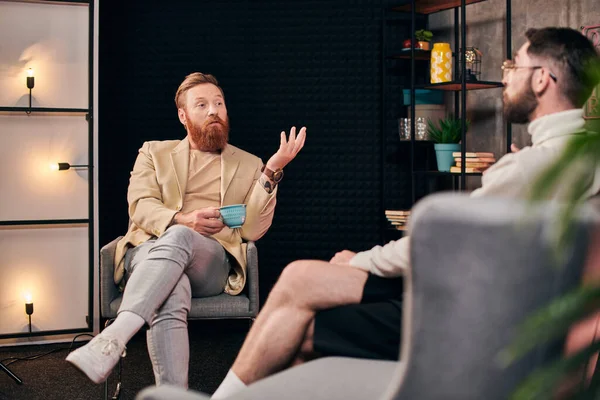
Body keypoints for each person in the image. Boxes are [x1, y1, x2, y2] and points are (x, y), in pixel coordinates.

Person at [211, 27, 600, 399]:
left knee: (300, 306)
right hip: (525, 320)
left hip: (472, 320)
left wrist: (357, 261)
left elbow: (438, 246)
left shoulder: (538, 168)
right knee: (301, 299)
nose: (507, 76)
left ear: (542, 80)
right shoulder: (579, 161)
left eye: (515, 65)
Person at [66, 72, 306, 387]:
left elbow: (252, 229)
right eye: (202, 104)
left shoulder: (249, 164)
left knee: (181, 239)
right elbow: (140, 205)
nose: (213, 111)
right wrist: (183, 219)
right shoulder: (153, 152)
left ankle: (114, 336)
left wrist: (272, 170)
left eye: (219, 103)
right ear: (183, 115)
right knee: (172, 286)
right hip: (149, 253)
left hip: (210, 263)